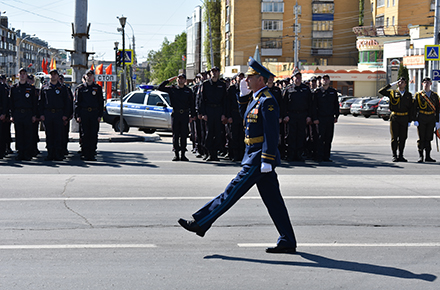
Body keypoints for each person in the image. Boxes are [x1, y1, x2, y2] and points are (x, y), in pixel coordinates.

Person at [178, 57, 297, 254]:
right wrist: (242, 97)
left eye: (250, 78)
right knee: (274, 202)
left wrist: (267, 159)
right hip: (254, 156)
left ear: (260, 79)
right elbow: (247, 120)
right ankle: (288, 239)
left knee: (231, 192)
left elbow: (271, 132)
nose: (246, 81)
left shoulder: (267, 100)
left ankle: (201, 222)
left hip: (259, 159)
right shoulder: (256, 98)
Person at [158, 73, 196, 161]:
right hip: (176, 114)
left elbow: (192, 104)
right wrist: (168, 80)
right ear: (177, 80)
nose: (180, 80)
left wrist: (192, 115)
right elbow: (160, 87)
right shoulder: (172, 89)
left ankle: (183, 154)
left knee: (183, 134)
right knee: (175, 135)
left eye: (182, 79)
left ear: (185, 81)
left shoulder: (188, 91)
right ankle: (176, 154)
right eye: (179, 78)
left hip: (185, 114)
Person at [378, 77, 413, 162]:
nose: (400, 83)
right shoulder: (392, 93)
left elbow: (411, 108)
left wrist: (410, 120)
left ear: (405, 84)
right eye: (399, 82)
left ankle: (401, 155)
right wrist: (391, 84)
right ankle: (394, 155)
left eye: (403, 82)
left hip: (404, 118)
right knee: (394, 137)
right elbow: (381, 91)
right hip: (395, 118)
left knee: (403, 137)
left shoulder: (408, 95)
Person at [39, 69, 70, 161]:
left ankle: (57, 154)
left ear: (57, 76)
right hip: (48, 113)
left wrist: (66, 115)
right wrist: (41, 114)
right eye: (51, 74)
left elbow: (67, 103)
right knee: (49, 135)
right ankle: (50, 154)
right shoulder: (45, 88)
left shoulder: (63, 88)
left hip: (58, 114)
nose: (53, 76)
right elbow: (40, 102)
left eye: (55, 74)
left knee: (58, 135)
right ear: (49, 76)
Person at [283, 69, 313, 161]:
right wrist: (285, 115)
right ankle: (291, 155)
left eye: (299, 77)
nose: (298, 79)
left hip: (303, 115)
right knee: (291, 135)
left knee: (301, 135)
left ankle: (299, 155)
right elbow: (283, 104)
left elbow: (310, 104)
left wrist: (309, 116)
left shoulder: (306, 89)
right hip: (291, 115)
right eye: (296, 77)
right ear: (293, 78)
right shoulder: (288, 89)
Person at [198, 66, 227, 161]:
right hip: (209, 110)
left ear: (219, 73)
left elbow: (225, 101)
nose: (214, 73)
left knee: (218, 133)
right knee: (209, 133)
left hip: (218, 110)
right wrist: (203, 113)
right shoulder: (205, 84)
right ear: (210, 73)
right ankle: (209, 153)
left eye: (216, 71)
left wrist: (224, 114)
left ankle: (216, 154)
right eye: (212, 71)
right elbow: (201, 100)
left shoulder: (222, 85)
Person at [74, 69, 104, 161]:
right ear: (85, 76)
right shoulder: (81, 88)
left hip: (94, 114)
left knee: (93, 134)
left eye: (91, 75)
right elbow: (77, 103)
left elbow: (101, 103)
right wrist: (77, 115)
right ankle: (85, 153)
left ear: (93, 76)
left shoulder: (97, 88)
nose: (89, 77)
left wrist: (100, 115)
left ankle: (92, 153)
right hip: (84, 113)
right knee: (84, 134)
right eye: (88, 75)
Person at [9, 68, 37, 161]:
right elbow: (11, 103)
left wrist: (34, 115)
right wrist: (11, 115)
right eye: (21, 74)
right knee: (19, 134)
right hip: (18, 113)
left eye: (24, 74)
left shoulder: (31, 88)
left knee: (28, 134)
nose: (22, 75)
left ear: (26, 75)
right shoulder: (14, 88)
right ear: (18, 75)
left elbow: (34, 103)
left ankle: (27, 153)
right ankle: (20, 152)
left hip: (28, 113)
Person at [313, 74, 339, 162]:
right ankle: (319, 156)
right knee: (320, 138)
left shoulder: (333, 92)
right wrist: (315, 118)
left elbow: (336, 105)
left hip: (330, 118)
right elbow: (314, 106)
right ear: (321, 81)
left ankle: (326, 156)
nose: (325, 81)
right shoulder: (317, 92)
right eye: (323, 79)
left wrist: (336, 116)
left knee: (328, 138)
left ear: (329, 81)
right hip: (320, 118)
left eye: (327, 79)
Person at [413, 77, 439, 163]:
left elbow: (438, 109)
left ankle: (428, 156)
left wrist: (437, 121)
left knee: (429, 137)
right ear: (422, 84)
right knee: (421, 137)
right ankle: (421, 156)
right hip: (422, 117)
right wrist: (415, 119)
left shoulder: (435, 95)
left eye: (428, 82)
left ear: (431, 84)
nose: (426, 84)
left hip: (431, 118)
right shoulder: (418, 94)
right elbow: (414, 108)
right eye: (424, 82)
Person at [59, 74, 74, 156]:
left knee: (64, 134)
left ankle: (64, 148)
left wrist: (69, 115)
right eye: (59, 79)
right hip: (58, 115)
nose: (60, 80)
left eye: (61, 79)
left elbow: (70, 102)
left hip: (65, 115)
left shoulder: (66, 89)